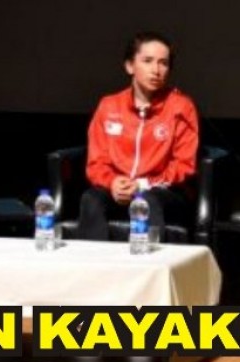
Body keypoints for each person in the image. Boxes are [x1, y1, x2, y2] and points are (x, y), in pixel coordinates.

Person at [77, 32, 200, 241]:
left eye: (163, 63)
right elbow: (96, 162)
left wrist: (142, 184)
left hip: (163, 193)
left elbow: (184, 166)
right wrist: (113, 182)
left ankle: (150, 260)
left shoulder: (181, 107)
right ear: (130, 66)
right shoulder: (109, 105)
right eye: (147, 61)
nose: (156, 70)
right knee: (91, 199)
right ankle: (94, 261)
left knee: (148, 201)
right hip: (119, 190)